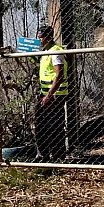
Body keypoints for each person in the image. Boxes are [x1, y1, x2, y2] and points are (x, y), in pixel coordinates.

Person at [35, 25, 68, 160]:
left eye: (41, 38)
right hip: (46, 94)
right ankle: (46, 155)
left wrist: (49, 95)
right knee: (43, 124)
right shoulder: (46, 51)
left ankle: (57, 156)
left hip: (55, 95)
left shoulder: (55, 51)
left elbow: (59, 74)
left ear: (48, 37)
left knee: (54, 126)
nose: (40, 40)